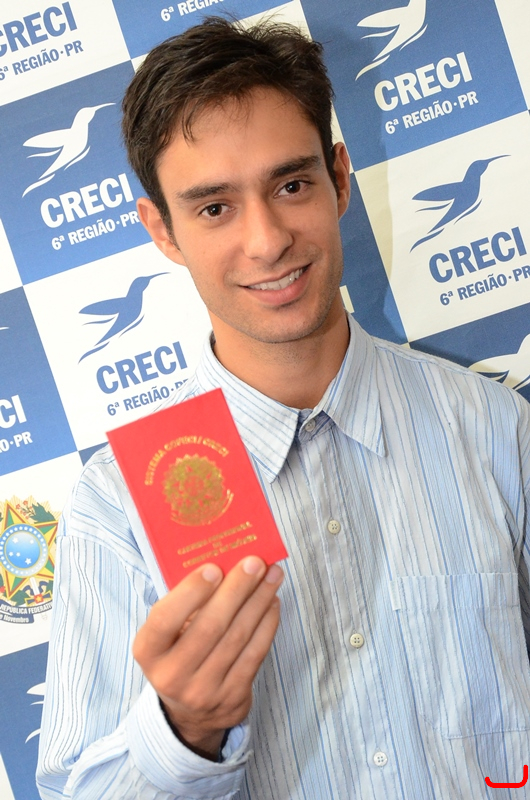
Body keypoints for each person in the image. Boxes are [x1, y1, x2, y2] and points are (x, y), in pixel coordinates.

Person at [37, 16, 530, 800]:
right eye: (214, 208)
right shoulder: (117, 506)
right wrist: (183, 732)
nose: (267, 241)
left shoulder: (497, 430)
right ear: (162, 230)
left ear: (340, 179)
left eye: (291, 185)